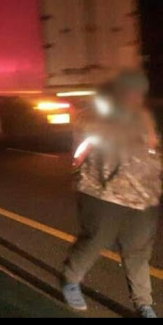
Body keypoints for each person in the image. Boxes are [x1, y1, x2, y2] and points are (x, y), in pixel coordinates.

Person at [62, 69, 161, 318]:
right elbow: (83, 143)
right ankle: (71, 279)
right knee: (95, 240)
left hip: (143, 197)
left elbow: (153, 154)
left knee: (137, 251)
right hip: (102, 194)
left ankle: (143, 303)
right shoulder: (101, 116)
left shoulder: (147, 119)